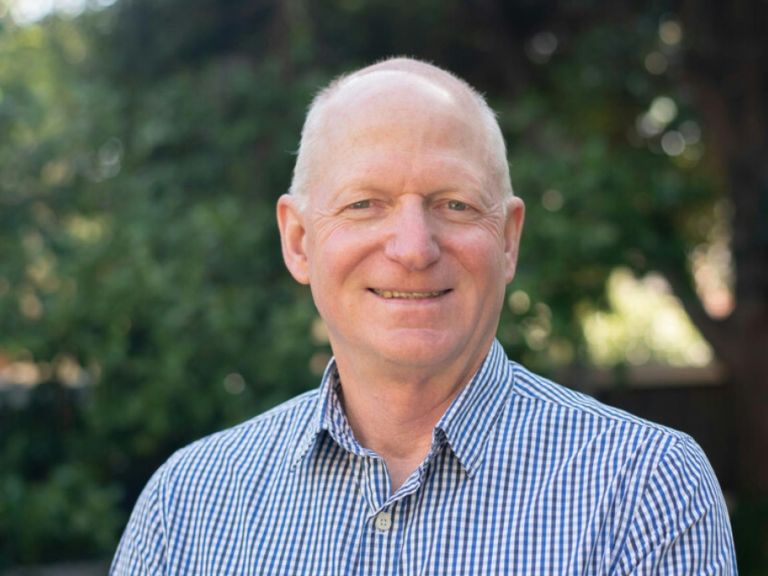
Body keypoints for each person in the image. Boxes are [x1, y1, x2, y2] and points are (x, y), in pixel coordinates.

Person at [111, 58, 737, 575]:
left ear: (510, 239)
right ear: (298, 241)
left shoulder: (644, 492)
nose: (413, 247)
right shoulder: (188, 506)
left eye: (455, 204)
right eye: (364, 204)